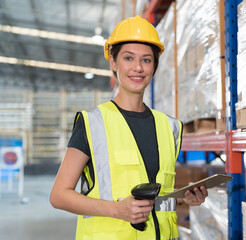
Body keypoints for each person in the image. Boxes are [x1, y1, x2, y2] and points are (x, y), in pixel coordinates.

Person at [50, 15, 208, 240]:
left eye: (146, 60)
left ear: (154, 66)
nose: (138, 68)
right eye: (128, 58)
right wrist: (117, 210)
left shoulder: (169, 126)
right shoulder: (93, 123)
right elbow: (58, 195)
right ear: (113, 63)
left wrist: (184, 198)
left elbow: (156, 201)